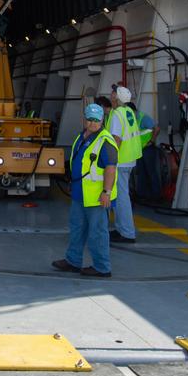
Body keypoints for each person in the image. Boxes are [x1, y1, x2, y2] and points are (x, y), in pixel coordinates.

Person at [53, 101, 118, 278]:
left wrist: (106, 192)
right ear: (84, 119)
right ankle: (73, 261)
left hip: (96, 198)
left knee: (97, 233)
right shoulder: (82, 137)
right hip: (79, 193)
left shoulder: (105, 141)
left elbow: (110, 169)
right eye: (90, 119)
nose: (93, 123)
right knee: (77, 229)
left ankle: (102, 267)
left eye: (96, 120)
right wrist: (73, 182)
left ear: (102, 120)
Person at [106, 84, 148, 244]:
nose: (111, 95)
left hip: (120, 160)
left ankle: (127, 232)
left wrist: (108, 159)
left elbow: (116, 139)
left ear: (116, 97)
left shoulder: (117, 114)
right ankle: (121, 229)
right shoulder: (128, 111)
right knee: (121, 195)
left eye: (113, 93)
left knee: (121, 197)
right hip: (129, 159)